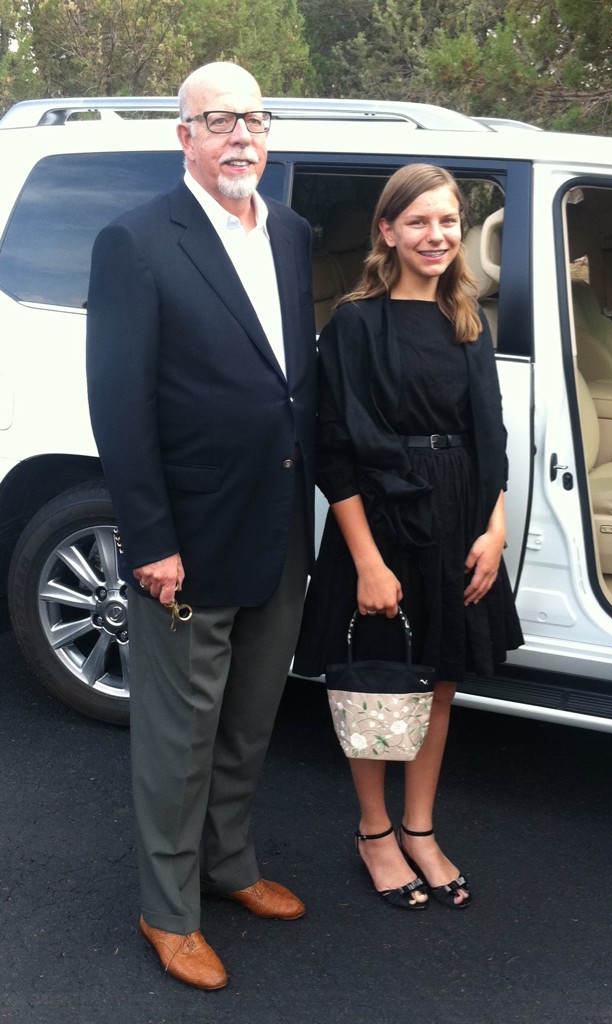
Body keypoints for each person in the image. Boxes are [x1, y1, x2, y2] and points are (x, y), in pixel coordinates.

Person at [86, 62, 317, 989]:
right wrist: (149, 542)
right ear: (182, 136)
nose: (240, 137)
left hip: (276, 530)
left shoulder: (292, 234)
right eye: (219, 120)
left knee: (247, 724)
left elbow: (288, 383)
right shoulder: (137, 241)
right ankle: (167, 910)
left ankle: (227, 868)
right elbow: (119, 403)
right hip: (187, 538)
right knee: (177, 742)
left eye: (254, 119)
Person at [294, 163, 523, 912]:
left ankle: (419, 829)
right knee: (376, 690)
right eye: (419, 221)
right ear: (386, 232)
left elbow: (489, 434)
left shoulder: (467, 318)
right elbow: (334, 450)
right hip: (382, 525)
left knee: (439, 681)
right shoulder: (355, 324)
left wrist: (492, 532)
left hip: (459, 520)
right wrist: (365, 561)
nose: (437, 235)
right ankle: (373, 833)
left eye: (448, 221)